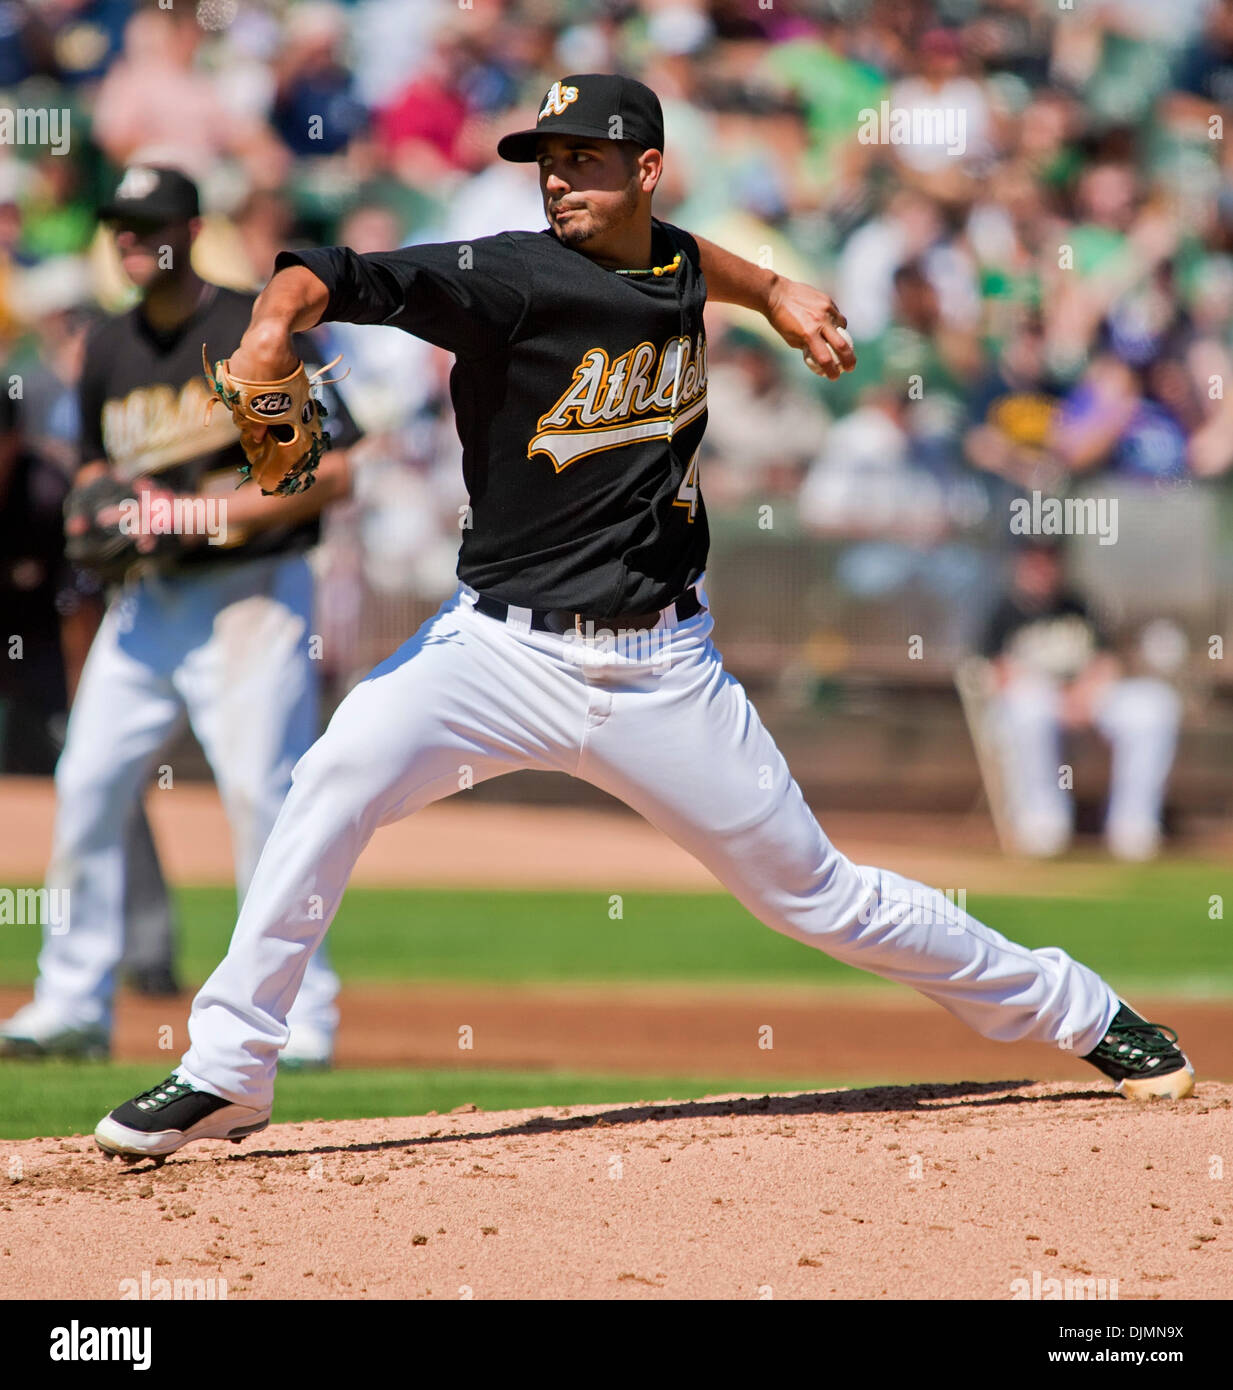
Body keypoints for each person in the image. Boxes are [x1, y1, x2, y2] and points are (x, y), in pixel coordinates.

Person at [91, 76, 1193, 1164]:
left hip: (665, 670)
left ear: (647, 170)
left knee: (821, 899)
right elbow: (328, 275)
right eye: (547, 160)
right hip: (495, 652)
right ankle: (232, 1069)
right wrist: (271, 328)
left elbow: (688, 262)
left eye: (584, 159)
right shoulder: (507, 277)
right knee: (331, 778)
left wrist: (775, 291)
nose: (559, 179)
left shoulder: (670, 261)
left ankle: (1084, 1014)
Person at [0, 166, 360, 1069]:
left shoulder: (253, 328)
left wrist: (194, 512)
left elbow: (335, 470)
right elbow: (91, 470)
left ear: (191, 230)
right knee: (87, 781)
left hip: (252, 595)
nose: (130, 240)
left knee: (261, 798)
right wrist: (102, 506)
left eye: (147, 225)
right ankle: (71, 1002)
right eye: (118, 225)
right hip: (148, 602)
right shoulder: (110, 347)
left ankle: (297, 1015)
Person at [980, 538, 1182, 860]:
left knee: (1154, 705)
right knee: (1028, 707)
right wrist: (1056, 698)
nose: (1043, 569)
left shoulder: (1080, 604)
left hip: (1086, 697)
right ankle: (1043, 824)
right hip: (1034, 701)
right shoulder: (1001, 609)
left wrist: (1082, 696)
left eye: (1050, 559)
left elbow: (1107, 661)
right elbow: (994, 672)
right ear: (1021, 563)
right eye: (1035, 559)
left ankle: (1134, 825)